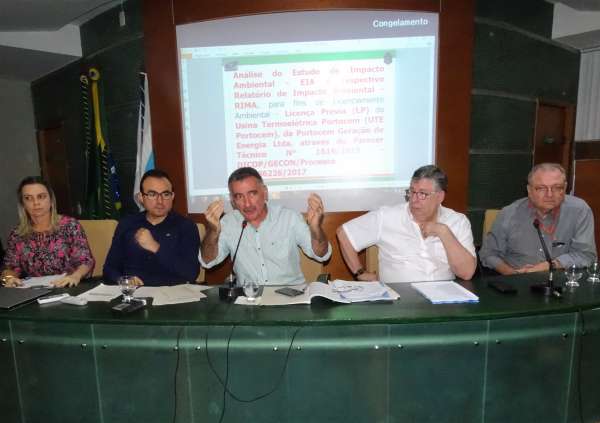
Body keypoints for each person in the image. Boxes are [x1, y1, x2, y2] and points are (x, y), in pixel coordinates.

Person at [337, 165, 476, 283]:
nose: (414, 199)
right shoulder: (387, 217)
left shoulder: (458, 221)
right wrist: (360, 273)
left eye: (423, 194)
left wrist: (444, 232)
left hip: (443, 301)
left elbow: (466, 273)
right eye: (412, 192)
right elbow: (344, 233)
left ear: (440, 197)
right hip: (400, 303)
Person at [200, 167, 331, 285]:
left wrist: (316, 229)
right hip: (249, 300)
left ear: (265, 192)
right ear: (233, 201)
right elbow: (207, 261)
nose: (247, 204)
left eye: (252, 194)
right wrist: (212, 231)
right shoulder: (227, 223)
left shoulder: (289, 218)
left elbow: (321, 253)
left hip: (290, 299)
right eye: (239, 197)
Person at [480, 163, 596, 274]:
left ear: (565, 188)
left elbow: (586, 255)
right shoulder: (509, 213)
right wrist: (512, 274)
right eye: (541, 188)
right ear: (529, 190)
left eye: (557, 188)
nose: (550, 194)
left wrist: (551, 265)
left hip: (561, 281)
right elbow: (488, 254)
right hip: (518, 282)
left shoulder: (579, 210)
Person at [103, 169, 200, 286]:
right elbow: (109, 269)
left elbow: (191, 273)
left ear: (172, 196)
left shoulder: (186, 226)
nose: (160, 201)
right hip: (134, 294)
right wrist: (123, 281)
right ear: (141, 198)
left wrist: (155, 247)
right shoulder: (127, 224)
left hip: (172, 295)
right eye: (152, 194)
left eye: (166, 194)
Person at [1, 176, 94, 287]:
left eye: (41, 197)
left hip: (68, 287)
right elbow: (9, 267)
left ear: (51, 200)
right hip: (34, 292)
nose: (36, 203)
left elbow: (86, 261)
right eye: (28, 198)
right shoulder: (17, 234)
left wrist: (75, 276)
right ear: (23, 204)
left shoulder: (70, 226)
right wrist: (9, 279)